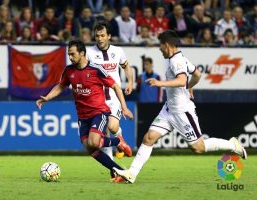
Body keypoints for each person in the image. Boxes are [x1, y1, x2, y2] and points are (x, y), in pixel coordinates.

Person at [113, 30, 247, 184]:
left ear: (167, 45)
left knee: (198, 147)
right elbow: (197, 74)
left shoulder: (176, 61)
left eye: (160, 45)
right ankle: (132, 173)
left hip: (182, 112)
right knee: (149, 138)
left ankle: (233, 145)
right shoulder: (180, 58)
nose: (159, 49)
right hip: (169, 109)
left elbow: (181, 80)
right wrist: (190, 87)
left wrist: (160, 83)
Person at [36, 39, 133, 182]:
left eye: (73, 54)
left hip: (99, 112)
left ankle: (117, 141)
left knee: (94, 141)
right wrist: (47, 98)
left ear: (82, 53)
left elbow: (116, 87)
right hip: (82, 116)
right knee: (90, 148)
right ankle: (120, 171)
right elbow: (60, 86)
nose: (70, 57)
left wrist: (124, 107)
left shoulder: (96, 70)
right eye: (69, 54)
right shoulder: (69, 71)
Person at [86, 22, 134, 171]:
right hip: (97, 99)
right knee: (103, 134)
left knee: (112, 127)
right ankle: (114, 171)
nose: (99, 39)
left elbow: (126, 67)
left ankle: (119, 138)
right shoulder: (89, 53)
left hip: (114, 97)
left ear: (109, 36)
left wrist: (130, 82)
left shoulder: (118, 51)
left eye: (102, 35)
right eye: (97, 36)